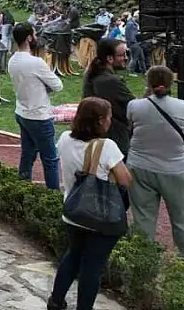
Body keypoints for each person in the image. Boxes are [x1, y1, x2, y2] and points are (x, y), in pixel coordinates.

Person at [48, 97, 132, 310]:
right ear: (102, 121)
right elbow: (125, 180)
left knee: (73, 254)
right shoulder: (107, 146)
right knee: (92, 266)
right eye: (110, 117)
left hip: (74, 210)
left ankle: (56, 301)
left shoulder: (65, 138)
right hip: (100, 216)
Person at [127, 65, 184, 260]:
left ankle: (143, 260)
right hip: (177, 168)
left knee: (143, 218)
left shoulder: (134, 105)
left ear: (148, 83)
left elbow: (132, 127)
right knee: (183, 218)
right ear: (171, 82)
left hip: (140, 166)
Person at [7, 22, 63, 190]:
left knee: (27, 155)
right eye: (34, 34)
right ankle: (52, 196)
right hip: (39, 116)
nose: (36, 37)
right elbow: (58, 85)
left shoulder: (13, 60)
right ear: (29, 38)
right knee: (50, 160)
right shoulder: (36, 62)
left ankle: (23, 188)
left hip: (22, 112)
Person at [82, 39, 133, 155]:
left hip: (99, 133)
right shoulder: (110, 80)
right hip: (114, 136)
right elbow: (133, 105)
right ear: (109, 58)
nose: (126, 58)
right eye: (122, 55)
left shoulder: (92, 72)